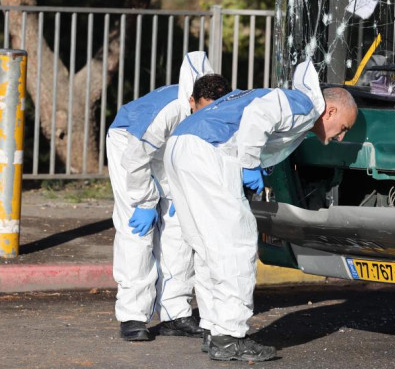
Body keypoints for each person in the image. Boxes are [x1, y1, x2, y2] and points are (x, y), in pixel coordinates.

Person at [164, 59, 357, 362]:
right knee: (235, 245)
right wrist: (250, 162)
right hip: (208, 150)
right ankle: (230, 336)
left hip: (181, 145)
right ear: (330, 111)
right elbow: (258, 116)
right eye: (343, 127)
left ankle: (215, 332)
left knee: (207, 248)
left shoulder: (284, 98)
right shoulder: (303, 103)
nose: (341, 136)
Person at [107, 52, 231, 341]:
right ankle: (132, 316)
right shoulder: (168, 111)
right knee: (137, 231)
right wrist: (144, 202)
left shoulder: (218, 105)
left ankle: (176, 311)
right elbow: (136, 159)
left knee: (179, 229)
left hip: (168, 150)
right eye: (202, 110)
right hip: (130, 144)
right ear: (191, 101)